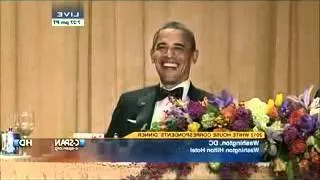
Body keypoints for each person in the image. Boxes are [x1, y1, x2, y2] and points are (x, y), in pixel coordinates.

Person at [105, 21, 211, 138]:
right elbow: (107, 152)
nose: (169, 54)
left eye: (178, 48)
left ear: (194, 56)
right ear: (152, 55)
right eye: (162, 47)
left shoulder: (213, 107)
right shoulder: (129, 103)